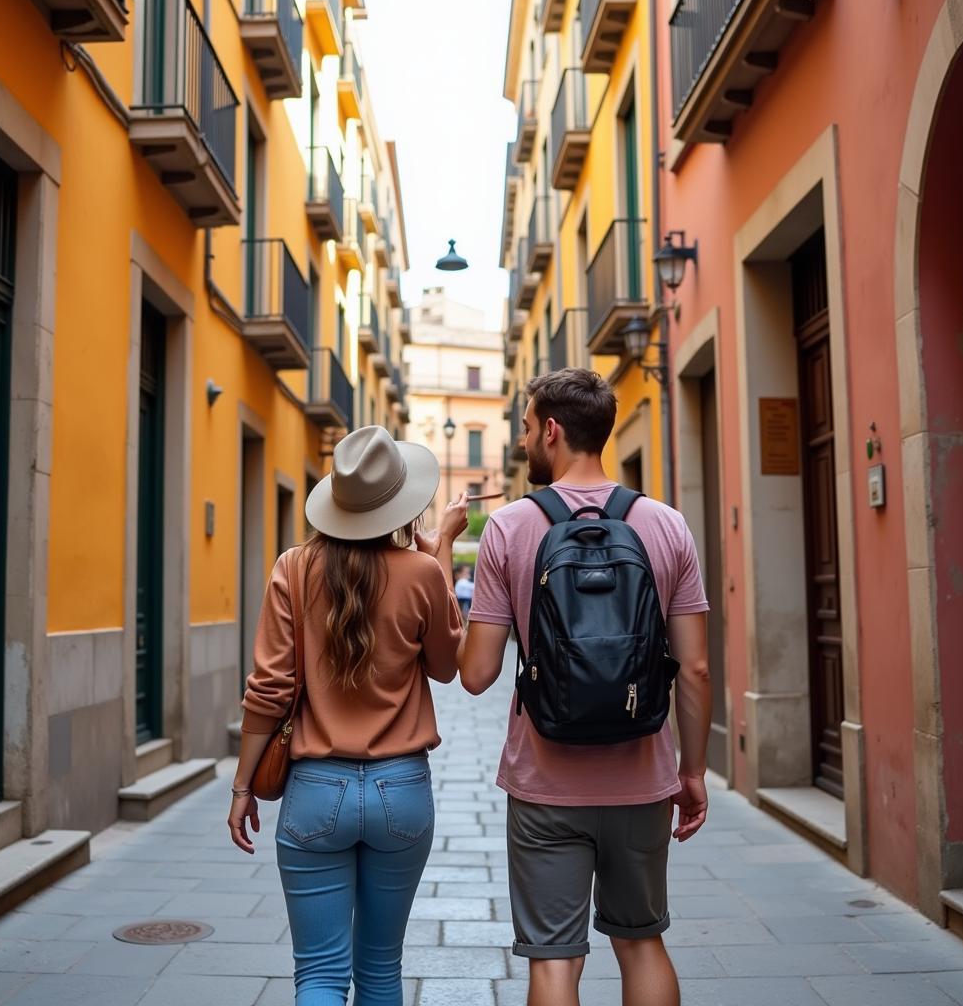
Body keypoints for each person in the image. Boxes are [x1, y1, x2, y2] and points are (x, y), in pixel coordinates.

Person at [458, 369, 712, 1006]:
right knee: (642, 941)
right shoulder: (665, 524)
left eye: (523, 428)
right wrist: (695, 772)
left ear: (551, 430)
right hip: (642, 777)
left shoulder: (510, 527)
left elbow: (477, 673)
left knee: (554, 960)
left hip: (544, 781)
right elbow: (697, 670)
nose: (520, 442)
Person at [228, 425, 469, 1006]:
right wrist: (439, 553)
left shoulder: (294, 567)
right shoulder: (422, 572)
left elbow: (269, 689)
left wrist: (242, 786)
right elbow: (444, 666)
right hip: (402, 790)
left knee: (318, 976)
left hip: (315, 790)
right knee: (382, 971)